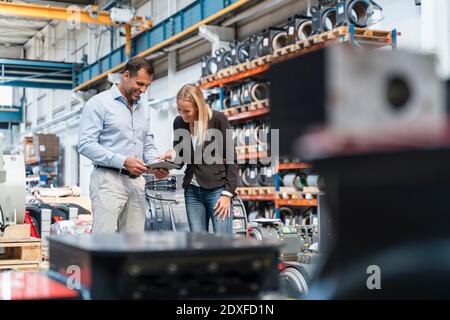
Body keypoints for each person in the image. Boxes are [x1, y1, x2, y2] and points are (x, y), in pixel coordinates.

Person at [78, 56, 168, 233]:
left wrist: (156, 164)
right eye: (140, 84)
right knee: (104, 243)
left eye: (147, 86)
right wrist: (123, 161)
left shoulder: (143, 108)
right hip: (108, 181)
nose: (143, 90)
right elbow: (85, 144)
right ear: (126, 75)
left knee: (134, 244)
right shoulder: (99, 104)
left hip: (137, 183)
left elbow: (147, 144)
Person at [160, 84, 238, 235]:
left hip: (217, 191)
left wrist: (228, 194)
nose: (183, 115)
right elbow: (182, 159)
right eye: (179, 110)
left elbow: (231, 159)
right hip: (192, 192)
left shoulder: (217, 119)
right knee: (198, 244)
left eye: (187, 111)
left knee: (223, 243)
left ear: (198, 107)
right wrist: (170, 158)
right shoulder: (179, 122)